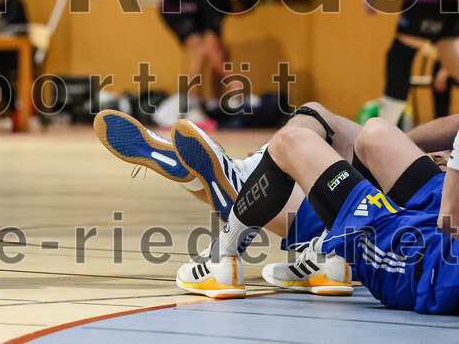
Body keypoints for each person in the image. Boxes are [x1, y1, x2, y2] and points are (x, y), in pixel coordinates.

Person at [176, 109, 459, 313]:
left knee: (291, 142)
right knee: (375, 134)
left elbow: (451, 217)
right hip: (443, 233)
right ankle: (331, 251)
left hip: (431, 264)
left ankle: (222, 258)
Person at [158, 0, 263, 121]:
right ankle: (194, 106)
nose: (241, 17)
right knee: (199, 50)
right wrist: (232, 80)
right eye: (242, 12)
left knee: (223, 52)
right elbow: (209, 46)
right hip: (174, 6)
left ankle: (215, 103)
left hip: (195, 8)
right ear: (235, 0)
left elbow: (215, 43)